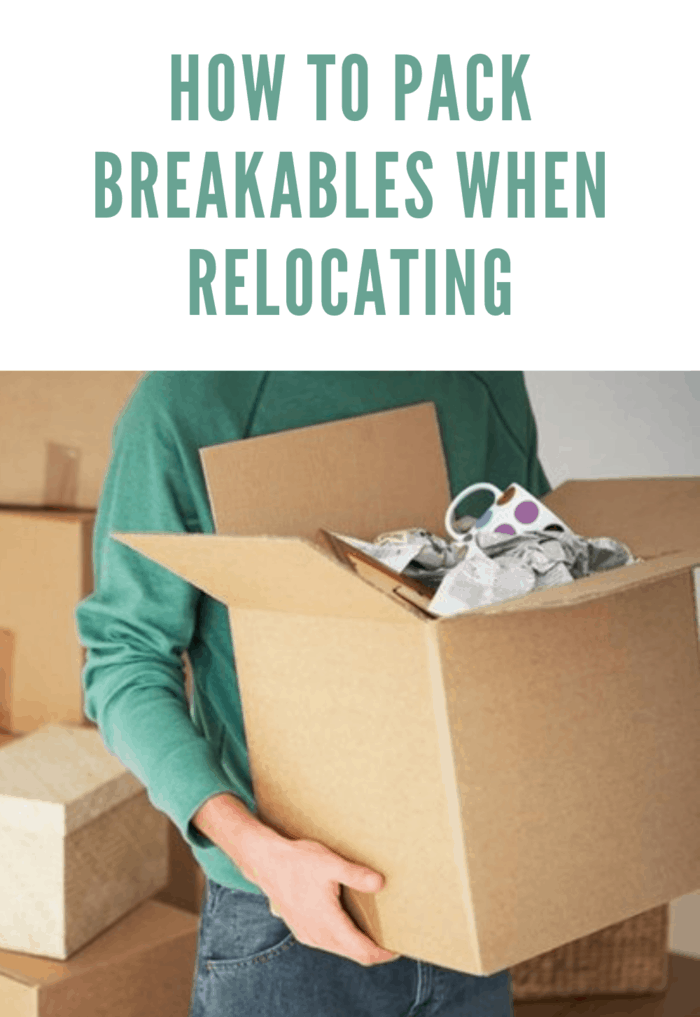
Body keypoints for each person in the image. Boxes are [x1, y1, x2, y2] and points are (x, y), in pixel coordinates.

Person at [76, 371, 550, 1017]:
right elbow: (123, 662)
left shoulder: (480, 373)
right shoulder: (189, 400)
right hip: (288, 919)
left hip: (466, 906)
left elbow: (540, 596)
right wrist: (257, 852)